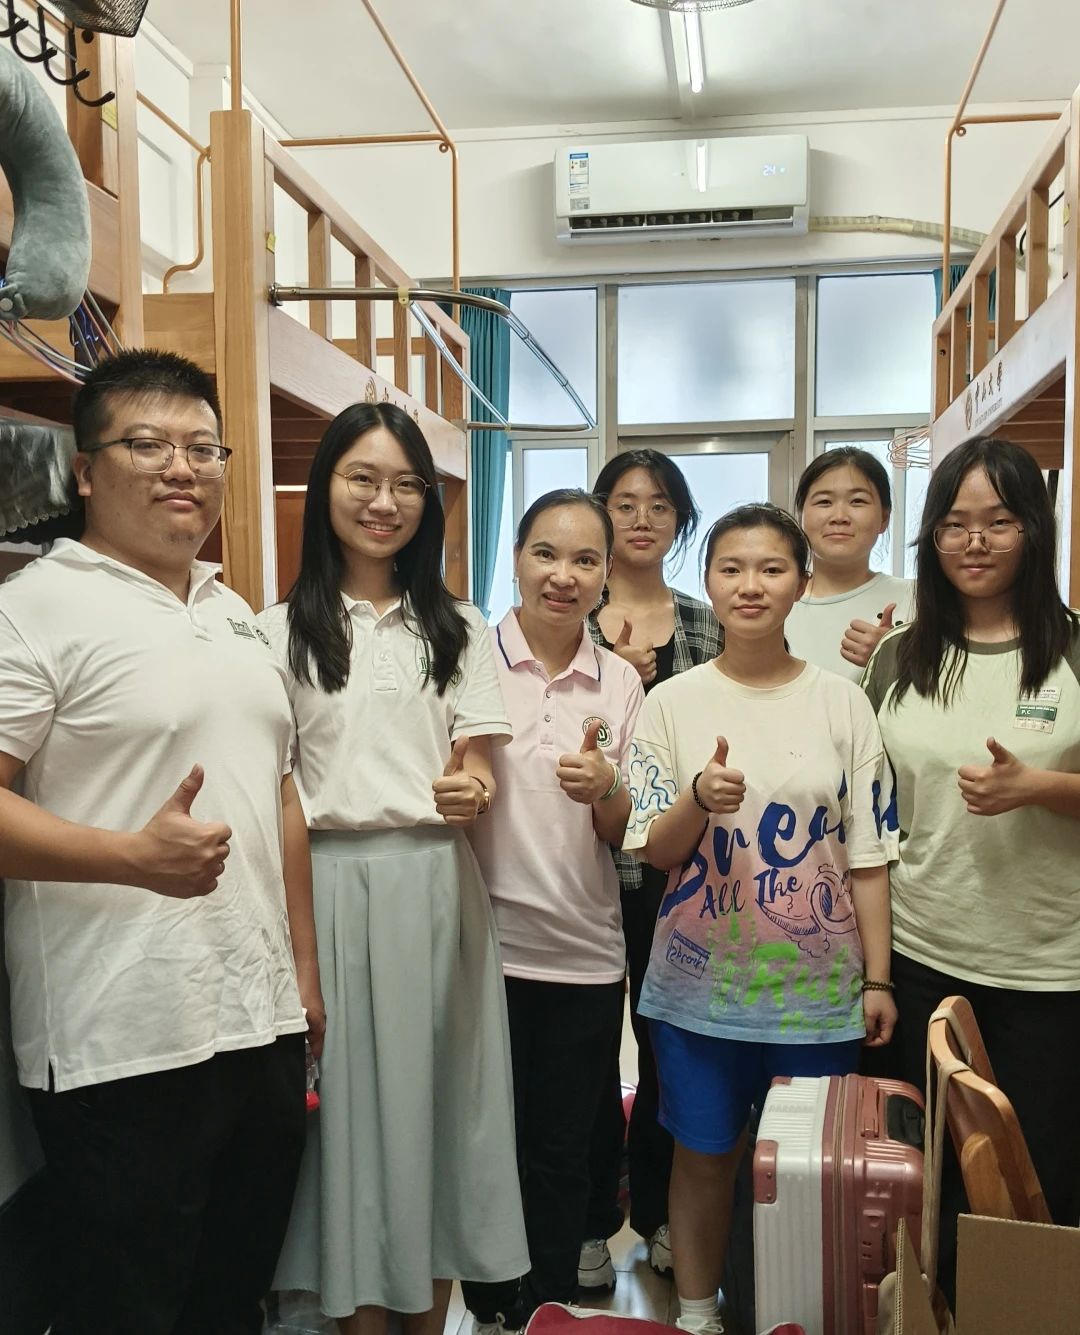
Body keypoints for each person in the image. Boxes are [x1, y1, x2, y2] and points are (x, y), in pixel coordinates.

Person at [0, 349, 322, 1335]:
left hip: (258, 1022)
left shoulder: (234, 614)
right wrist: (130, 859)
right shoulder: (34, 608)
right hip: (118, 1038)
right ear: (85, 472)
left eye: (202, 447)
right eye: (147, 444)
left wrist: (303, 981)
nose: (182, 467)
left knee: (230, 1301)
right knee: (126, 1309)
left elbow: (280, 795)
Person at [258, 403, 528, 1335]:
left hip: (435, 888)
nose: (385, 502)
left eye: (407, 484)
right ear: (323, 488)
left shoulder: (459, 625)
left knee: (438, 1114)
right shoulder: (273, 630)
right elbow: (277, 787)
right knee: (344, 1126)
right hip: (324, 889)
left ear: (430, 502)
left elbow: (477, 764)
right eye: (362, 479)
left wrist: (471, 790)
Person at [625, 503, 897, 1335]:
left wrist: (879, 978)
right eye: (732, 568)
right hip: (698, 988)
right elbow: (656, 850)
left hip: (818, 995)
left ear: (801, 583)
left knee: (809, 1173)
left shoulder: (843, 702)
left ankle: (795, 1314)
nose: (751, 585)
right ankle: (697, 1315)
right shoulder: (670, 702)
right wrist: (697, 800)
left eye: (772, 568)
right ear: (708, 582)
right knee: (703, 1157)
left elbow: (867, 855)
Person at [862, 436, 1080, 1289]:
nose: (975, 541)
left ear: (1035, 529)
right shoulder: (897, 656)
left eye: (1000, 520)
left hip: (1049, 970)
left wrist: (1041, 788)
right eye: (954, 523)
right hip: (922, 957)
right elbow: (868, 812)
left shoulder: (1072, 648)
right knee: (927, 1184)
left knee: (1040, 1185)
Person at [462, 489, 644, 1332]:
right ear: (516, 559)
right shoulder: (470, 656)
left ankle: (547, 1305)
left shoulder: (621, 680)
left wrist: (605, 785)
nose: (563, 575)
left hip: (583, 952)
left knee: (564, 1146)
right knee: (487, 1138)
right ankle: (490, 1302)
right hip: (482, 948)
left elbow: (618, 830)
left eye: (584, 559)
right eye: (545, 552)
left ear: (606, 575)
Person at [580, 449, 723, 1288]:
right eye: (625, 502)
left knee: (673, 1048)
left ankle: (668, 1212)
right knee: (591, 1048)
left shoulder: (707, 623)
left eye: (660, 504)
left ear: (680, 520)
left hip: (685, 873)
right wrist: (611, 682)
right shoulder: (567, 613)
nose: (641, 518)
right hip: (586, 869)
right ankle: (591, 1219)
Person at [787, 447, 914, 679]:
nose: (839, 517)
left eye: (857, 501)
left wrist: (893, 658)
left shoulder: (919, 599)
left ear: (884, 518)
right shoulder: (776, 602)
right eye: (824, 502)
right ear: (801, 516)